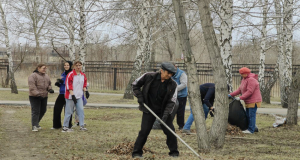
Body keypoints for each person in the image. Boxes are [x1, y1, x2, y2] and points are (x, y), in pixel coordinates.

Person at [131, 62, 179, 158]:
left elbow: (172, 101)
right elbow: (134, 85)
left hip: (164, 111)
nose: (170, 75)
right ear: (162, 70)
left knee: (170, 131)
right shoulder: (148, 76)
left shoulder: (173, 84)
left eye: (172, 74)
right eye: (168, 73)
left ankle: (174, 153)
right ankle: (137, 152)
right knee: (144, 131)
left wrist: (165, 115)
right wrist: (139, 96)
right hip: (149, 109)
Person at [229, 67, 262, 134]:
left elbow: (250, 91)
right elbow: (239, 90)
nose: (241, 75)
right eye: (241, 74)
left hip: (254, 101)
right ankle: (250, 127)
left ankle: (251, 130)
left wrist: (241, 97)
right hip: (248, 101)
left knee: (251, 115)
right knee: (247, 115)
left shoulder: (251, 80)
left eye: (242, 74)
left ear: (246, 73)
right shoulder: (244, 79)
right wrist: (231, 95)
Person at [62, 61, 90, 132]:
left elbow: (84, 84)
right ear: (74, 66)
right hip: (70, 96)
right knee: (69, 112)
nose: (78, 67)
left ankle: (82, 125)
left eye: (80, 65)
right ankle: (65, 127)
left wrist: (86, 91)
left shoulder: (83, 75)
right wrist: (72, 95)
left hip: (79, 96)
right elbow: (69, 85)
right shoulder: (70, 74)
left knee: (81, 110)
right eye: (76, 65)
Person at [28, 64, 54, 132]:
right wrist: (37, 95)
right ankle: (34, 126)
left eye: (45, 68)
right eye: (43, 68)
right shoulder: (33, 76)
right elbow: (32, 87)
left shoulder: (46, 76)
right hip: (34, 97)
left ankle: (36, 123)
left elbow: (49, 84)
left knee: (43, 110)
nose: (44, 70)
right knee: (35, 111)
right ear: (38, 68)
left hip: (44, 96)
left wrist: (50, 89)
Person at [52, 61, 73, 129]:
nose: (66, 66)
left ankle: (68, 125)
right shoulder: (63, 74)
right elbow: (63, 84)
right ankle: (56, 125)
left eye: (68, 65)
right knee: (57, 108)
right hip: (61, 93)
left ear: (70, 66)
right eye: (65, 65)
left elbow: (72, 84)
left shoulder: (72, 74)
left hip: (69, 94)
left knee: (68, 110)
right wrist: (58, 84)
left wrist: (63, 82)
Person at [171, 63, 188, 130]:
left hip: (181, 96)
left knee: (180, 112)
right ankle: (169, 124)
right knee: (171, 110)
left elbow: (184, 84)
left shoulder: (182, 74)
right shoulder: (170, 73)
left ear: (175, 66)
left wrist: (173, 89)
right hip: (172, 95)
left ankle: (181, 125)